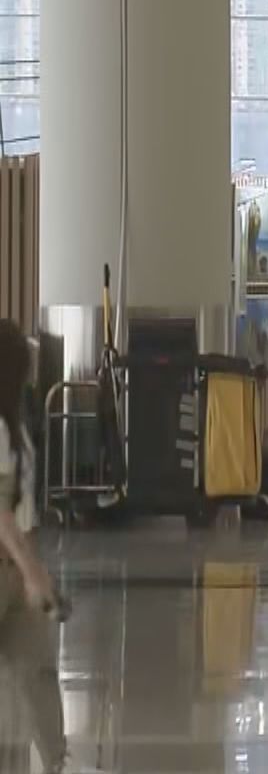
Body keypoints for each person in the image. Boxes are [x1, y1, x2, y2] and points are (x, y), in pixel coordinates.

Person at [0, 321, 64, 773]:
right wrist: (31, 569)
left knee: (38, 671)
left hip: (16, 568)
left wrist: (30, 569)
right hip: (10, 564)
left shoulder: (15, 422)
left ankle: (58, 763)